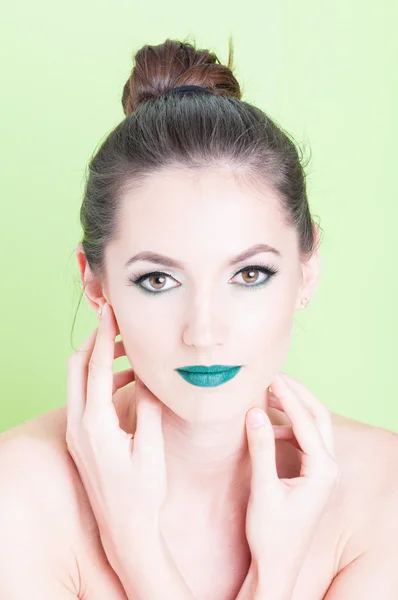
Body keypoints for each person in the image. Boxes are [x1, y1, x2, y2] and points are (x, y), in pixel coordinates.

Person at [1, 37, 398, 600]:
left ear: (306, 272)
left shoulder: (385, 491)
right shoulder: (18, 494)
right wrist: (134, 543)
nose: (204, 333)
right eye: (158, 280)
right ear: (97, 284)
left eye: (250, 274)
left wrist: (265, 576)